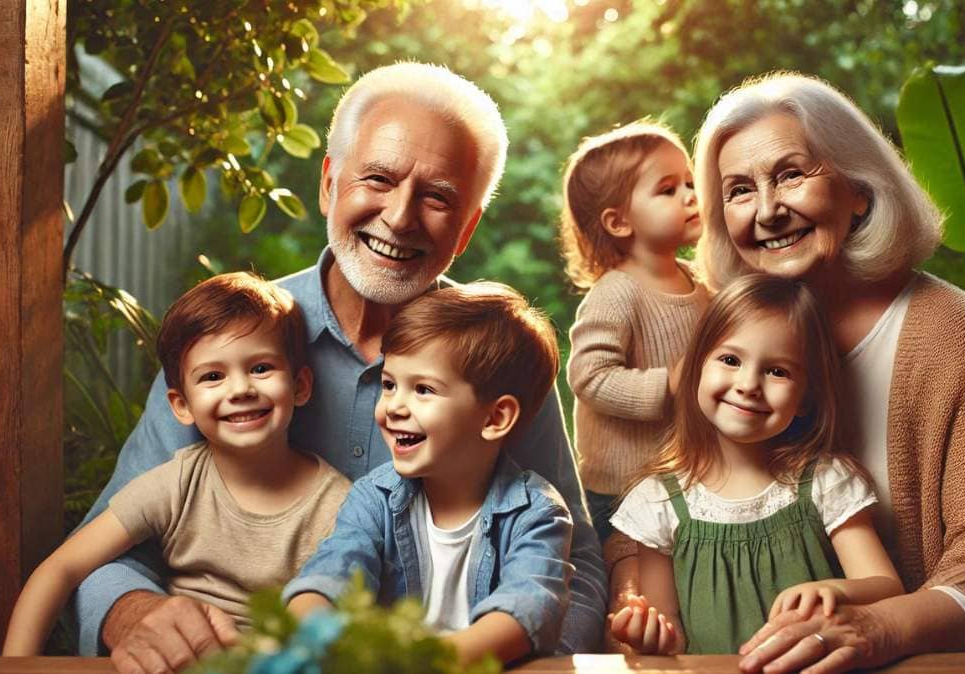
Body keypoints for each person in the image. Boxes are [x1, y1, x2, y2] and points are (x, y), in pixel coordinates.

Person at [71, 62, 606, 674]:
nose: (400, 216)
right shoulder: (231, 346)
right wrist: (133, 611)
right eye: (378, 177)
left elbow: (574, 564)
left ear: (467, 228)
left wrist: (525, 659)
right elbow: (102, 555)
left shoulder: (493, 360)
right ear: (329, 183)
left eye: (437, 197)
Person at [665, 71, 965, 672]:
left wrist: (881, 626)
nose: (769, 211)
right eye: (740, 190)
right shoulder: (725, 344)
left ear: (858, 188)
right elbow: (662, 501)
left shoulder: (950, 330)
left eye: (791, 174)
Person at [4, 272, 351, 654]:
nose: (240, 390)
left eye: (260, 368)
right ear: (181, 406)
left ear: (300, 386)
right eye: (213, 376)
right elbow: (60, 569)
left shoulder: (339, 505)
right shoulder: (177, 484)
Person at [606, 274, 902, 655]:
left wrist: (835, 589)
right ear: (696, 369)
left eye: (777, 371)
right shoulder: (657, 502)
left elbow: (886, 587)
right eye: (730, 360)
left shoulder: (826, 481)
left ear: (807, 398)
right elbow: (671, 630)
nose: (748, 384)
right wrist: (650, 636)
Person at [284, 283, 572, 666]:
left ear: (495, 418)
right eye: (389, 385)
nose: (394, 407)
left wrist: (423, 661)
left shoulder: (537, 513)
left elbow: (527, 609)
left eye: (423, 389)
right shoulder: (375, 498)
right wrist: (313, 634)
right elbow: (332, 573)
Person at [560, 120, 709, 546]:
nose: (690, 195)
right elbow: (589, 376)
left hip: (685, 473)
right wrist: (667, 384)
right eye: (668, 190)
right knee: (633, 583)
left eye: (689, 181)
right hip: (623, 489)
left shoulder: (700, 281)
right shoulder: (618, 293)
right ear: (619, 222)